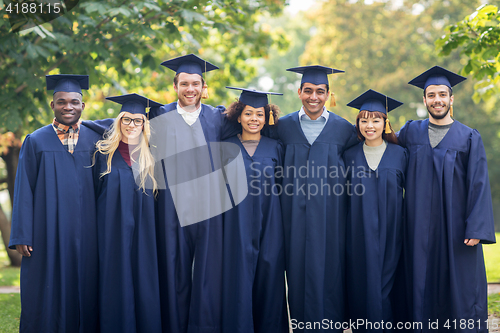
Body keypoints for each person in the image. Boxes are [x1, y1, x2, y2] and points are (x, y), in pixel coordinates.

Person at [398, 66, 496, 332]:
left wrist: (476, 228)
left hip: (456, 230)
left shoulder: (468, 136)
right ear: (424, 100)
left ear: (451, 99)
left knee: (460, 288)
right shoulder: (410, 132)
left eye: (442, 94)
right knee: (420, 283)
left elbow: (478, 183)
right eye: (431, 95)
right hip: (417, 228)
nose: (437, 99)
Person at [148, 54, 238, 333]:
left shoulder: (217, 117)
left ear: (203, 86)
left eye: (195, 84)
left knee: (208, 272)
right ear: (175, 86)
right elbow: (123, 124)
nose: (190, 89)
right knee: (174, 270)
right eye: (184, 83)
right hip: (170, 207)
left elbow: (252, 124)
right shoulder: (159, 115)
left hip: (209, 206)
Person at [268, 65, 358, 332]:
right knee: (295, 276)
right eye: (308, 91)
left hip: (332, 219)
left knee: (331, 273)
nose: (314, 97)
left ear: (329, 94)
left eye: (320, 91)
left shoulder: (344, 129)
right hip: (292, 218)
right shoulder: (281, 127)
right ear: (299, 92)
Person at [9, 74, 100, 332]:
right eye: (61, 102)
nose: (68, 106)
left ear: (83, 105)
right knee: (46, 286)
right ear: (53, 105)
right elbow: (24, 188)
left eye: (74, 102)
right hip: (46, 231)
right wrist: (22, 234)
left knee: (86, 283)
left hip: (88, 231)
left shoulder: (96, 141)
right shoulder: (36, 140)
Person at [92, 93, 162, 333]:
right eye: (127, 119)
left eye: (138, 120)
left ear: (144, 125)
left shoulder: (152, 156)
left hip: (145, 234)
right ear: (118, 121)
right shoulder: (102, 155)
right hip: (111, 233)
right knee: (115, 281)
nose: (132, 125)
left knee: (144, 281)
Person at [221, 87, 288, 333]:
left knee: (269, 282)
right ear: (238, 116)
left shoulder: (276, 148)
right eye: (248, 114)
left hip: (270, 226)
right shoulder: (224, 147)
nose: (254, 119)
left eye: (259, 114)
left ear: (267, 117)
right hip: (234, 226)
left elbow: (282, 187)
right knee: (236, 282)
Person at [343, 89, 407, 332]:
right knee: (363, 286)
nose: (369, 125)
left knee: (388, 288)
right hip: (358, 235)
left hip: (394, 235)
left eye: (376, 119)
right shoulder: (348, 156)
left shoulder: (401, 155)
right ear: (357, 123)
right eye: (364, 120)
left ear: (385, 122)